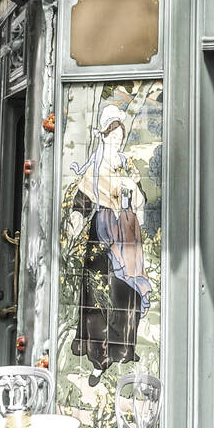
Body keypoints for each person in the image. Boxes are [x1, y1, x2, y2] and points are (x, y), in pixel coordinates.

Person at [69, 104, 151, 387]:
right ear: (103, 135)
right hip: (102, 232)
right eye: (111, 134)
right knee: (98, 295)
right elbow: (80, 202)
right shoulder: (95, 167)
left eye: (120, 135)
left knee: (126, 292)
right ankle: (98, 358)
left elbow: (141, 199)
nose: (116, 140)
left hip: (127, 232)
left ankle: (123, 349)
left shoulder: (128, 165)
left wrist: (133, 191)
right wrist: (76, 220)